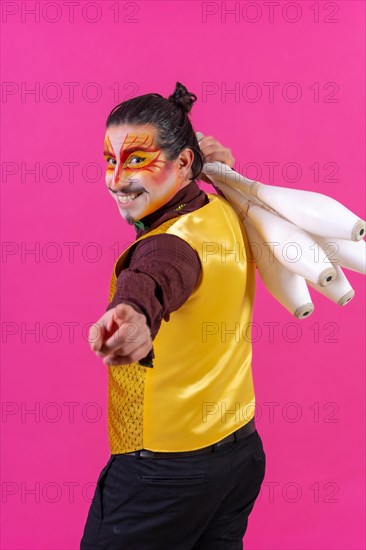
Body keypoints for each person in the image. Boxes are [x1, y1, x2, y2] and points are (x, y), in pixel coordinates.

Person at [80, 82, 266, 550]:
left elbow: (155, 277)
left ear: (183, 164)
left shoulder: (168, 246)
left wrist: (133, 315)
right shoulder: (222, 208)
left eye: (137, 160)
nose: (115, 179)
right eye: (110, 159)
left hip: (163, 475)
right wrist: (203, 157)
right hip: (239, 453)